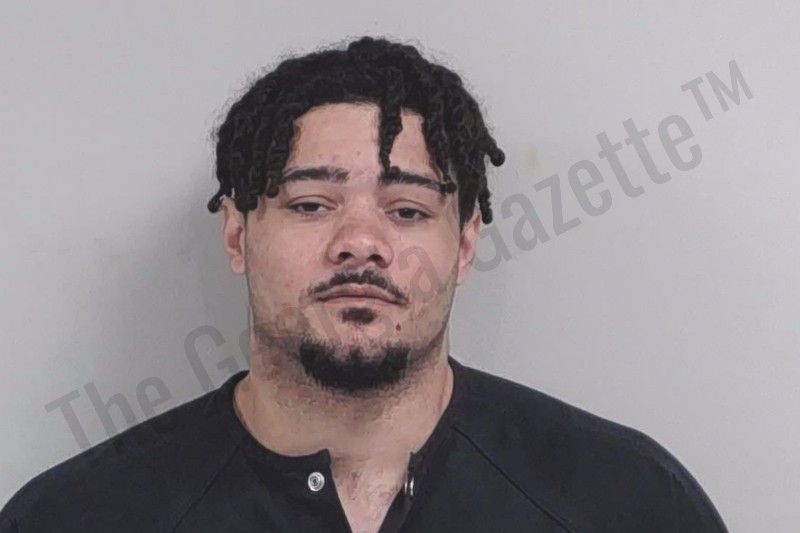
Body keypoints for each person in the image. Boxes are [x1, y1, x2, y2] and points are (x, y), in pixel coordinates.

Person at [0, 36, 728, 533]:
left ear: (465, 242)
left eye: (407, 210)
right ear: (237, 235)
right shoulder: (79, 515)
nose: (361, 242)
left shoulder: (627, 500)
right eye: (311, 204)